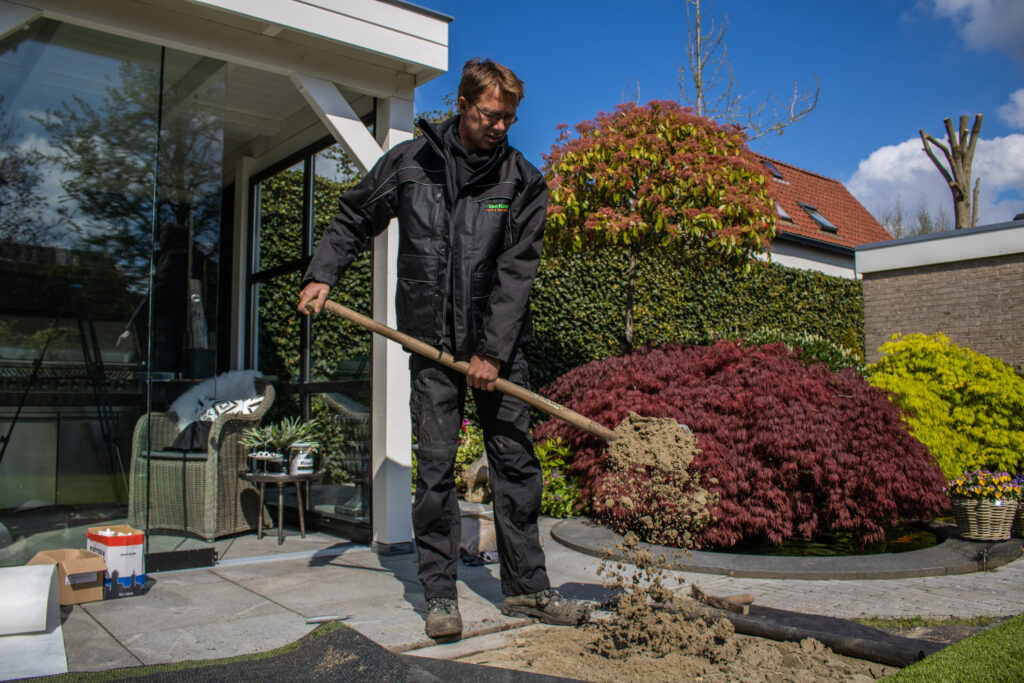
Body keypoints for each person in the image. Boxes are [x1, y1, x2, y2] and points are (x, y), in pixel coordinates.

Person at [297, 58, 589, 641]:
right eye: (490, 114)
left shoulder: (522, 183)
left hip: (499, 354)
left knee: (516, 467)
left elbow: (515, 275)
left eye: (509, 117)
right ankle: (439, 595)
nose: (501, 126)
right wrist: (324, 272)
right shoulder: (412, 164)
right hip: (430, 347)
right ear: (462, 104)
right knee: (433, 472)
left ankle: (528, 590)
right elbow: (355, 214)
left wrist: (493, 352)